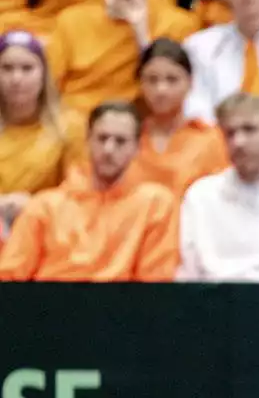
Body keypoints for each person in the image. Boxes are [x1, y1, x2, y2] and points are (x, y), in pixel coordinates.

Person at [0, 101, 180, 281]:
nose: (109, 149)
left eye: (120, 141)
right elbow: (9, 277)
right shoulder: (45, 206)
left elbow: (156, 283)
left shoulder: (156, 204)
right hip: (50, 306)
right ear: (87, 140)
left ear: (137, 147)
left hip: (124, 307)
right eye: (102, 138)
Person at [177, 93, 259, 282]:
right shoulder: (201, 196)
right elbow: (189, 274)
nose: (238, 142)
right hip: (215, 303)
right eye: (230, 133)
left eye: (249, 129)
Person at [44, 0, 199, 115]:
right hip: (76, 120)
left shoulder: (179, 24)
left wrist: (141, 33)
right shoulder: (72, 21)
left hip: (140, 123)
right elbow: (48, 86)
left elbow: (168, 90)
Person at [0, 30, 84, 237]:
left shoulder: (69, 127)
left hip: (46, 228)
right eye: (7, 68)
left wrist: (34, 204)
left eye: (27, 68)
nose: (16, 78)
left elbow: (78, 190)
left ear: (44, 73)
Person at [131, 39, 231, 197]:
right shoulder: (129, 138)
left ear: (190, 83)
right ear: (141, 84)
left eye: (172, 80)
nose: (161, 90)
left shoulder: (210, 139)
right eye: (152, 80)